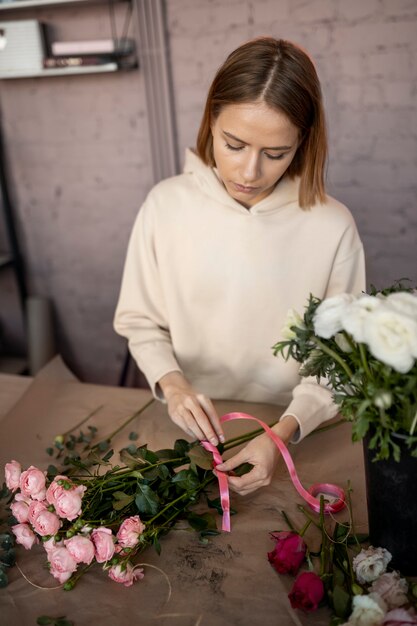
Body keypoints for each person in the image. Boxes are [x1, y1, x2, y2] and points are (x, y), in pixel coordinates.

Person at [114, 37, 365, 496]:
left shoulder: (333, 227)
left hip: (295, 433)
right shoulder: (164, 206)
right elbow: (141, 322)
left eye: (275, 154)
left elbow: (339, 361)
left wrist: (284, 433)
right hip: (186, 429)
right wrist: (173, 386)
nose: (249, 172)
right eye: (234, 144)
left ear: (302, 144)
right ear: (211, 120)